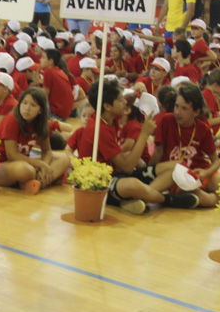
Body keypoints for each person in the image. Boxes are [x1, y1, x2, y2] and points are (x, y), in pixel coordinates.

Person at [78, 79, 199, 214]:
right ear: (107, 106)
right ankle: (167, 199)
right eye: (120, 100)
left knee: (177, 166)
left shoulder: (107, 115)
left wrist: (136, 91)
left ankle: (143, 197)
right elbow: (128, 167)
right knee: (133, 185)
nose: (124, 103)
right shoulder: (99, 128)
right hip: (100, 183)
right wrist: (144, 134)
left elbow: (126, 101)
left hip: (118, 174)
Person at [0, 87, 69, 193]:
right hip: (2, 166)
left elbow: (47, 151)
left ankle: (36, 183)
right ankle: (44, 180)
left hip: (26, 163)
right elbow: (12, 155)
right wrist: (41, 165)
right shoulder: (12, 119)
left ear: (41, 110)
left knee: (64, 159)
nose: (27, 108)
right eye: (24, 103)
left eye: (33, 105)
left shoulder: (42, 124)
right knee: (26, 170)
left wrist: (43, 166)